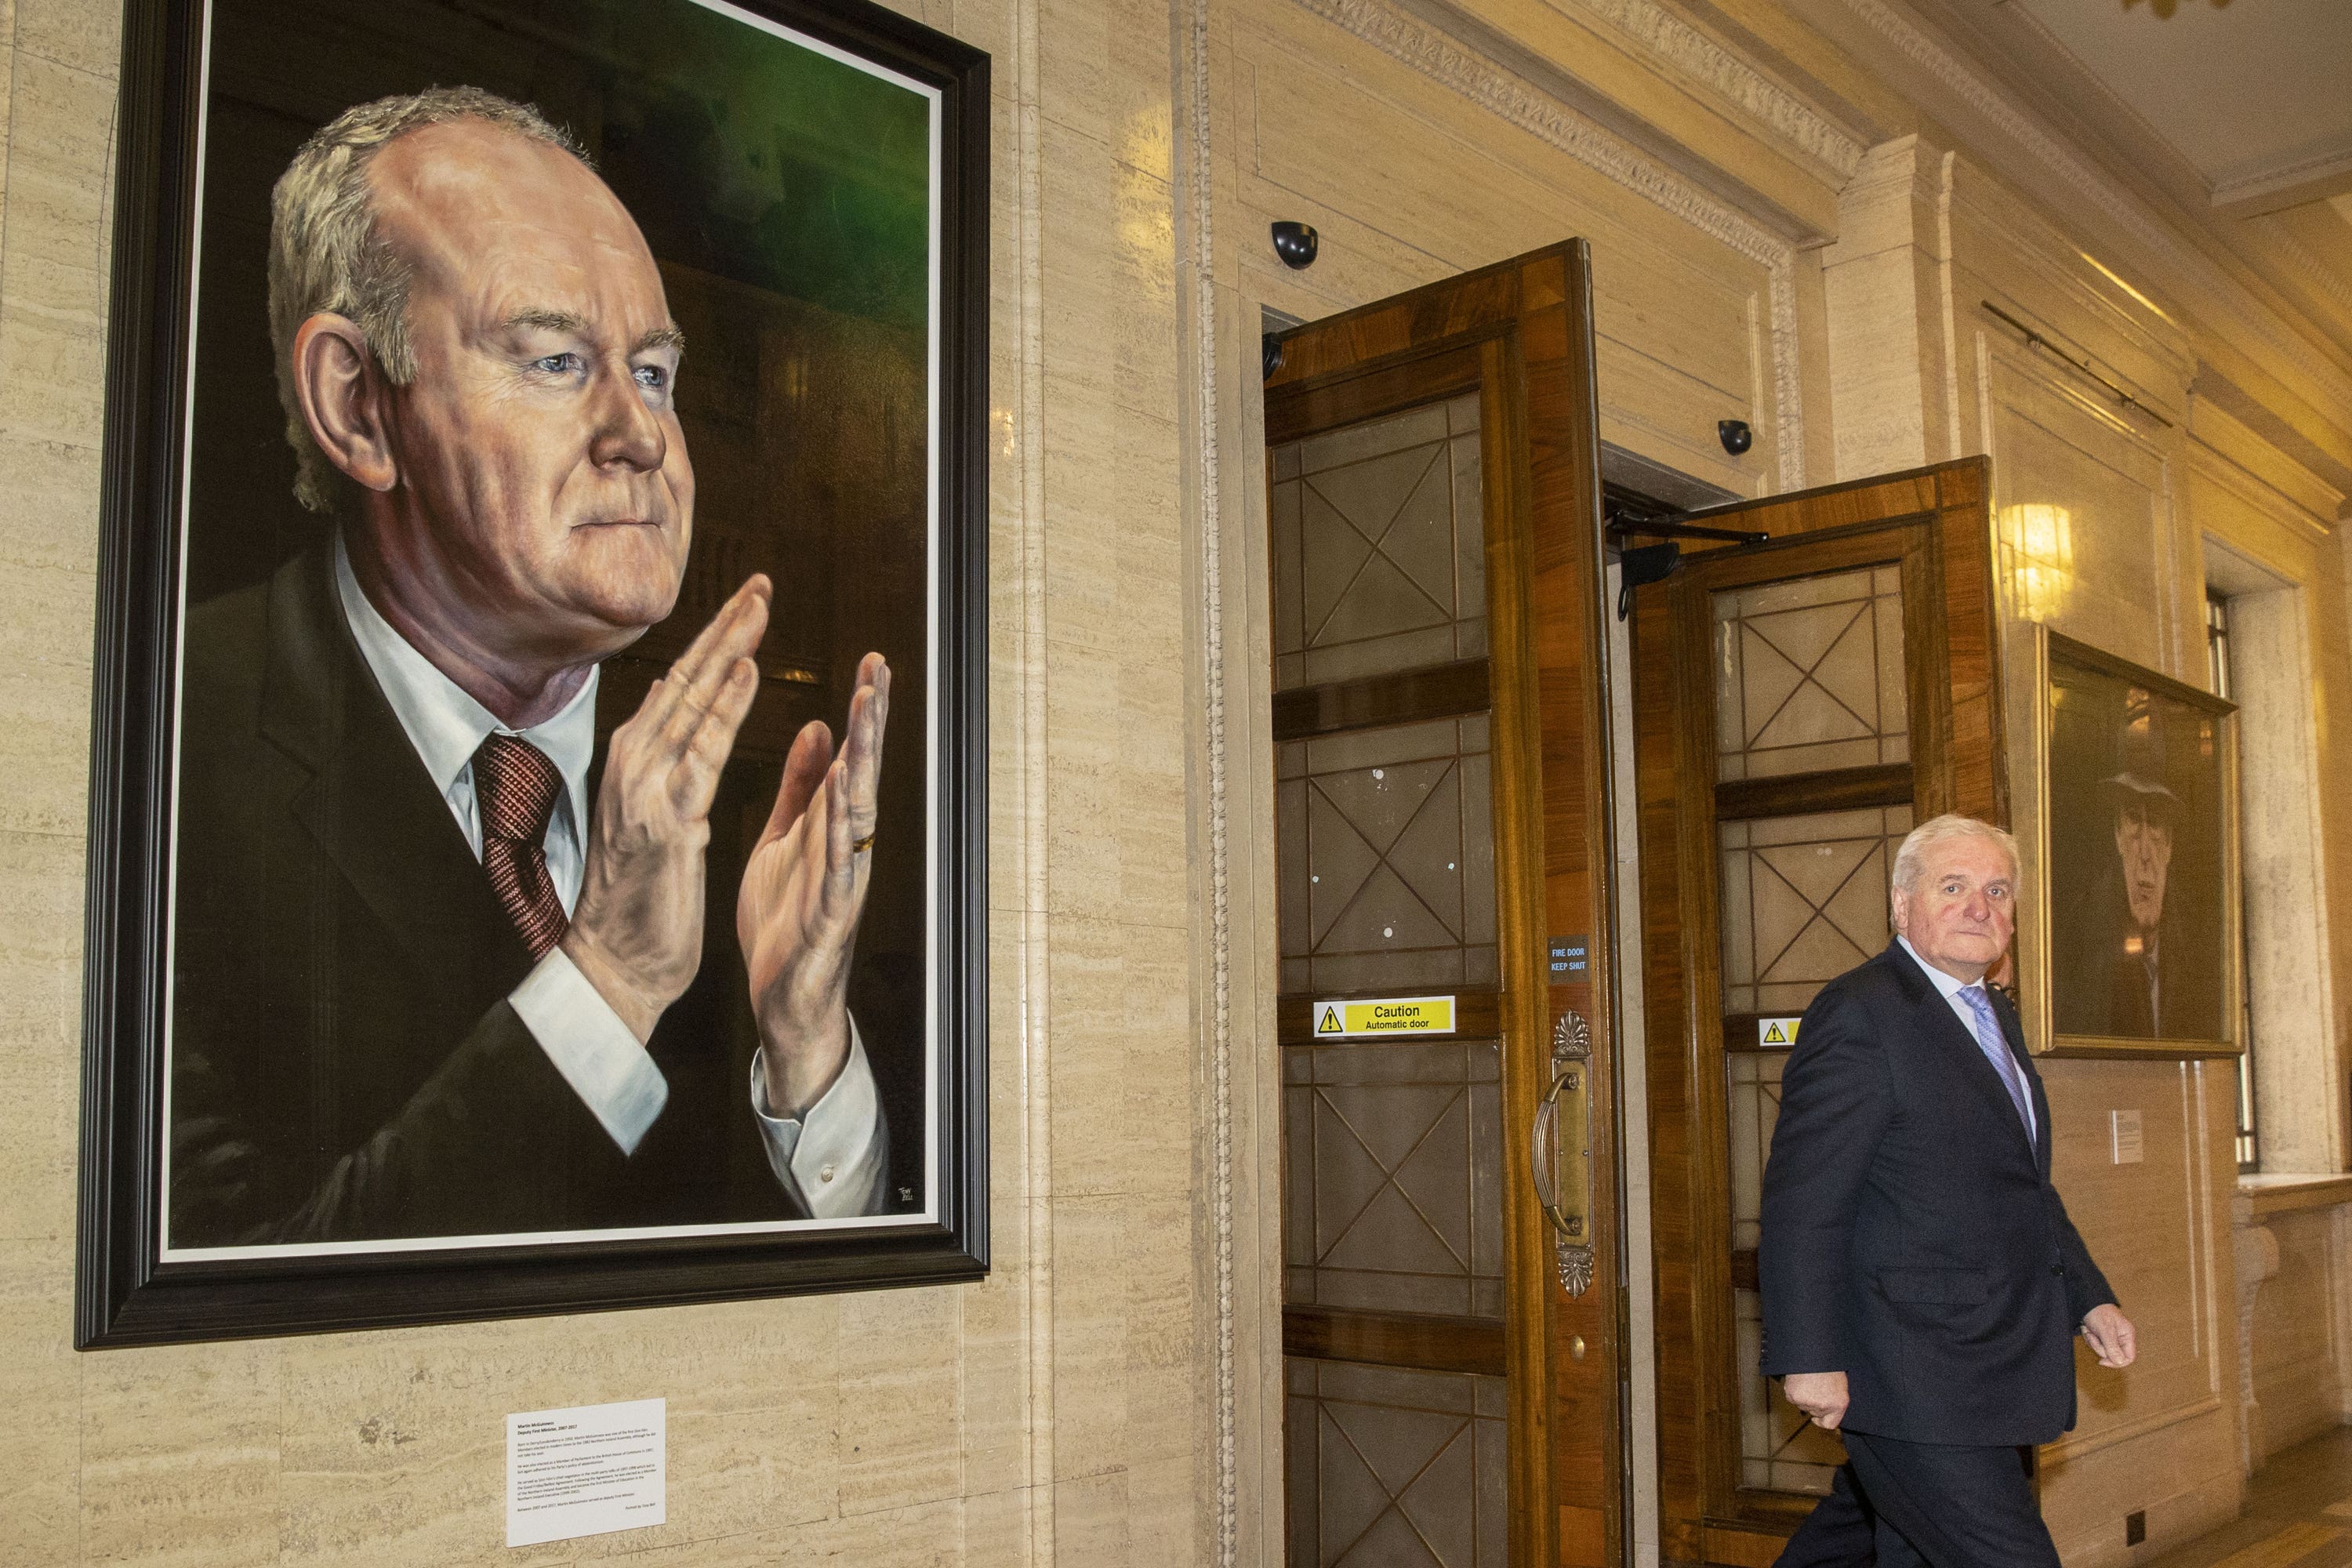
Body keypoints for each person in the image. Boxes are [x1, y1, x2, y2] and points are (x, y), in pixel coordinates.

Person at [168, 87, 899, 1246]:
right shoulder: (165, 742)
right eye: (558, 360)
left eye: (654, 372)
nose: (643, 437)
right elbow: (224, 1323)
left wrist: (804, 1043)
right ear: (359, 409)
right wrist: (605, 979)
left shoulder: (767, 787)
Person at [1760, 814, 2137, 1566]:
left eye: (1997, 891)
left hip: (1988, 1362)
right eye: (1954, 886)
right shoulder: (1862, 1011)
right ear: (1903, 906)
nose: (1979, 907)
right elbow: (1804, 1201)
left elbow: (2022, 1186)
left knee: (1875, 1544)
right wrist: (1808, 1355)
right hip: (1908, 1370)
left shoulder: (1994, 1013)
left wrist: (2087, 1295)